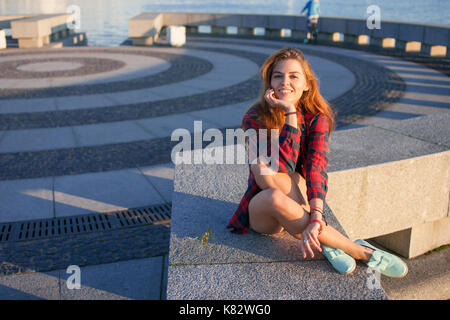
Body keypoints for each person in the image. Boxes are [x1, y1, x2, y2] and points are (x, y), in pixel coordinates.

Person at [226, 47, 408, 278]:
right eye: (278, 76)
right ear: (270, 82)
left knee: (288, 179)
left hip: (297, 195)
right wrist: (289, 114)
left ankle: (327, 241)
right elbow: (272, 171)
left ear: (307, 85)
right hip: (263, 210)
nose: (285, 82)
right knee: (269, 180)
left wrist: (316, 216)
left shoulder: (316, 118)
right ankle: (360, 251)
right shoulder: (255, 117)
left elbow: (316, 166)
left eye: (294, 76)